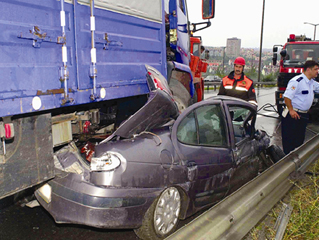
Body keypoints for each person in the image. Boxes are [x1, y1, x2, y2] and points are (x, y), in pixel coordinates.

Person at [281, 60, 319, 154]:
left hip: (303, 115)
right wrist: (291, 110)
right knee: (290, 142)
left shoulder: (312, 83)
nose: (317, 71)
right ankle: (287, 165)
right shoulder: (297, 81)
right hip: (293, 116)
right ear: (308, 70)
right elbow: (287, 96)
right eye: (316, 69)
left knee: (299, 141)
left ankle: (296, 164)